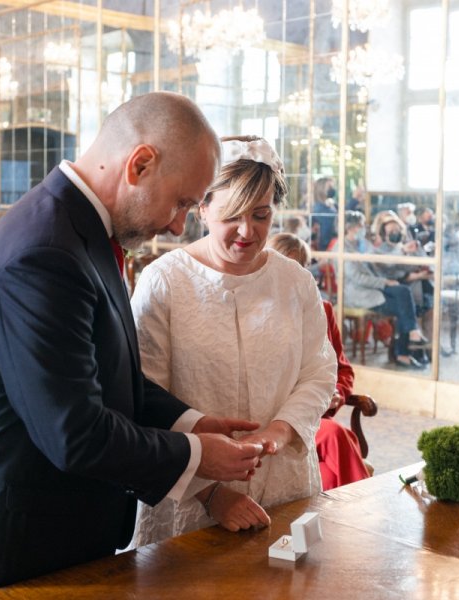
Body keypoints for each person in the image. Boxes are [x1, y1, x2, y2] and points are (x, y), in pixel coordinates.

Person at [0, 92, 266, 600]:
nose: (177, 224)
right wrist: (197, 454)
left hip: (47, 537)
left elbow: (104, 371)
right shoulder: (46, 251)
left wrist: (190, 422)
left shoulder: (83, 228)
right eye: (182, 201)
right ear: (139, 164)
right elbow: (73, 431)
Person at [130, 136, 336, 545]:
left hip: (283, 483)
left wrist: (279, 430)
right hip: (188, 495)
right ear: (202, 209)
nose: (247, 231)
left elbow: (319, 370)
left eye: (261, 216)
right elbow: (142, 395)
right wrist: (210, 494)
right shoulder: (164, 281)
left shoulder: (294, 281)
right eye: (232, 216)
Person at [267, 232, 370, 489]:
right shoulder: (258, 311)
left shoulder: (322, 309)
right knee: (337, 437)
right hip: (273, 420)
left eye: (299, 267)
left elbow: (343, 369)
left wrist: (335, 392)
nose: (292, 275)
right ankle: (361, 510)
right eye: (284, 266)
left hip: (317, 415)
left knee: (336, 445)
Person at [343, 211, 428, 369]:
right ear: (352, 227)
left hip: (374, 288)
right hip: (359, 294)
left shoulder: (360, 244)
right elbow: (358, 278)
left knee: (404, 295)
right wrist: (385, 282)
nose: (365, 229)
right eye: (361, 225)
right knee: (405, 303)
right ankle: (406, 347)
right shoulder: (343, 248)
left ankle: (409, 344)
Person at [310, 176, 338, 250]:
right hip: (326, 247)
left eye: (332, 186)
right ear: (321, 189)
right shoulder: (319, 209)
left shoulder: (329, 205)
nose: (332, 189)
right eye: (329, 187)